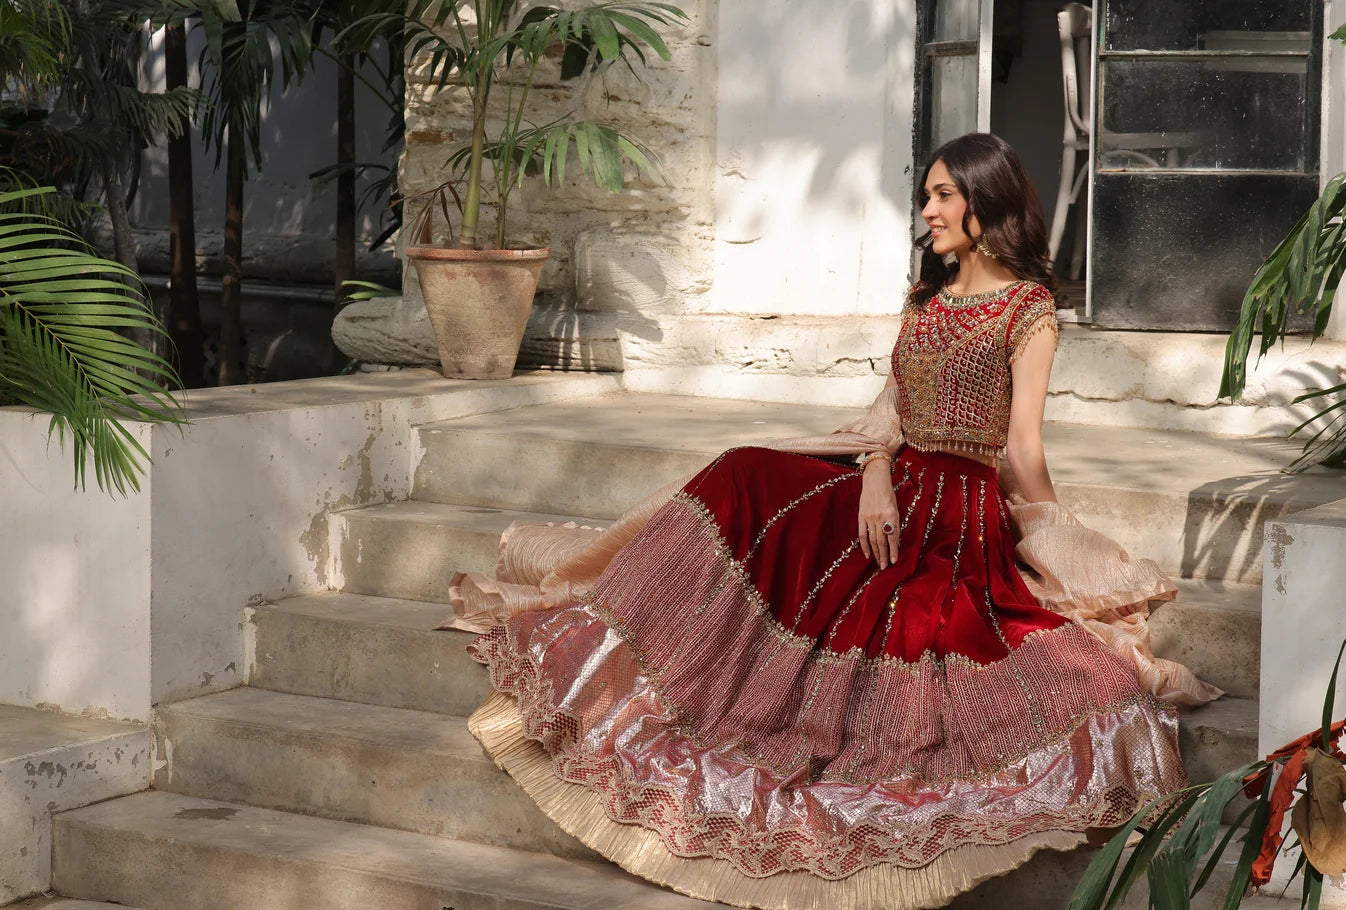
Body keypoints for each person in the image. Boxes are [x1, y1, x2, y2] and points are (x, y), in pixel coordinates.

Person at [444, 132, 1221, 910]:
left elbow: (1021, 450)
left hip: (955, 518)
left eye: (943, 195)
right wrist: (877, 471)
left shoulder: (1029, 311)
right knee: (744, 470)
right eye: (926, 196)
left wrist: (1058, 539)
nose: (928, 211)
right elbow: (889, 420)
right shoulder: (925, 303)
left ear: (986, 203)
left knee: (932, 627)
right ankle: (630, 650)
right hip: (887, 483)